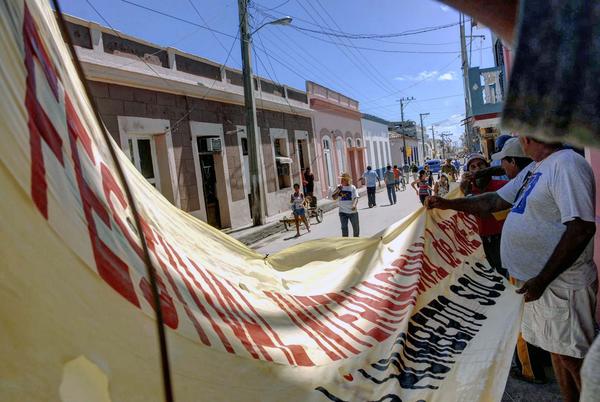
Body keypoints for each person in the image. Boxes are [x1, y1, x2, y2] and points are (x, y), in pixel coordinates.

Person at [427, 137, 597, 402]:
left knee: (576, 359)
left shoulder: (566, 165)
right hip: (543, 284)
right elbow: (492, 202)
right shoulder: (536, 169)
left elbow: (582, 228)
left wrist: (542, 278)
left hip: (561, 284)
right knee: (559, 352)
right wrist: (448, 204)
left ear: (530, 137)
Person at [459, 153, 508, 277]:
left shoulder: (503, 186)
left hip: (501, 239)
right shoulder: (465, 190)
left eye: (481, 165)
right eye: (473, 167)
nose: (477, 170)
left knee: (504, 274)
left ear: (488, 167)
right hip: (477, 242)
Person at [331, 172, 360, 237]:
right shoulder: (339, 187)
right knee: (344, 228)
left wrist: (354, 205)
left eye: (343, 179)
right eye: (341, 179)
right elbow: (334, 197)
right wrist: (338, 190)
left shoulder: (352, 187)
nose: (341, 181)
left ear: (347, 180)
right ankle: (345, 242)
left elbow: (356, 198)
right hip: (342, 212)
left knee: (356, 229)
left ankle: (356, 242)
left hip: (352, 212)